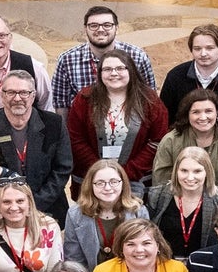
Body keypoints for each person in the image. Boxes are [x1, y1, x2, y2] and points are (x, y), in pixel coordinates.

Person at [0, 70, 73, 224]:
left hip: (48, 211)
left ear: (33, 95)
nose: (17, 98)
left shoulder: (54, 123)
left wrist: (33, 204)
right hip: (0, 213)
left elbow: (63, 168)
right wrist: (9, 205)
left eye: (24, 92)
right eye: (11, 92)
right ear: (2, 95)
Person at [65, 49, 168, 192]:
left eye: (120, 68)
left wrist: (127, 172)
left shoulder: (149, 100)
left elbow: (157, 141)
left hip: (136, 181)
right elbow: (76, 139)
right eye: (107, 69)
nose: (114, 73)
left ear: (130, 70)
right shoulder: (84, 99)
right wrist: (101, 171)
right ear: (100, 74)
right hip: (92, 180)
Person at [51, 5, 158, 110]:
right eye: (93, 25)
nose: (100, 29)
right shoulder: (67, 60)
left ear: (117, 28)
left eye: (107, 25)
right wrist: (65, 128)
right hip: (83, 123)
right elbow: (61, 102)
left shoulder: (137, 56)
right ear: (85, 29)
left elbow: (150, 96)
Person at [159, 24, 218, 132]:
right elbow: (165, 116)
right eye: (197, 49)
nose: (203, 54)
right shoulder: (175, 76)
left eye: (209, 48)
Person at [144, 146, 218, 260]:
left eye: (197, 171)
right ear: (176, 171)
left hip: (203, 266)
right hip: (164, 264)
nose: (190, 177)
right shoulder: (157, 195)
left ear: (207, 172)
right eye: (184, 171)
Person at [151, 89, 218, 189]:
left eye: (208, 111)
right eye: (196, 112)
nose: (203, 117)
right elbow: (160, 183)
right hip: (178, 199)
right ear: (187, 114)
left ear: (217, 112)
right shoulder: (170, 141)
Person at [63, 159, 148, 268]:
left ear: (123, 183)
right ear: (90, 185)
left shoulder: (138, 212)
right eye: (100, 183)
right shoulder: (75, 215)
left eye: (114, 182)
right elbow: (74, 261)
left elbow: (144, 255)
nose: (107, 188)